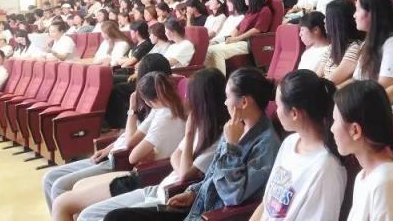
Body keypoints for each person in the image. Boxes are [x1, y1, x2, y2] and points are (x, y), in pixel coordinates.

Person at [102, 67, 281, 221]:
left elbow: (233, 195)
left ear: (244, 102)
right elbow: (212, 175)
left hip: (211, 215)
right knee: (116, 216)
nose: (225, 102)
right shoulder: (234, 127)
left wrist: (232, 148)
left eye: (228, 97)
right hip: (197, 205)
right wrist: (193, 192)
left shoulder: (266, 144)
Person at [51, 71, 187, 221]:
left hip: (142, 175)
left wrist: (132, 109)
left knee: (64, 203)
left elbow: (132, 154)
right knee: (78, 188)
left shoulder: (165, 117)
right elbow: (131, 142)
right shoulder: (165, 110)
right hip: (141, 170)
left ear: (147, 99)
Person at [249, 70, 346, 220]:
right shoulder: (290, 143)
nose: (276, 111)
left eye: (278, 105)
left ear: (294, 113)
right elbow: (266, 204)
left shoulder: (326, 168)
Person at [332, 81, 393, 221]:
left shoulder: (385, 183)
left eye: (335, 120)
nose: (331, 129)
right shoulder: (363, 176)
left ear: (355, 130)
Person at [206, 0, 272, 75]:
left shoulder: (265, 10)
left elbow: (257, 30)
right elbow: (237, 27)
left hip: (249, 42)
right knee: (208, 50)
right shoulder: (250, 12)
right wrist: (231, 38)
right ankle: (210, 77)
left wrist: (236, 39)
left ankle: (219, 80)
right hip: (239, 41)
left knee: (216, 52)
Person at [317, 0, 363, 85]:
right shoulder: (332, 46)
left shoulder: (355, 47)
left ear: (338, 22)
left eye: (327, 17)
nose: (324, 21)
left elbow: (331, 82)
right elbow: (318, 74)